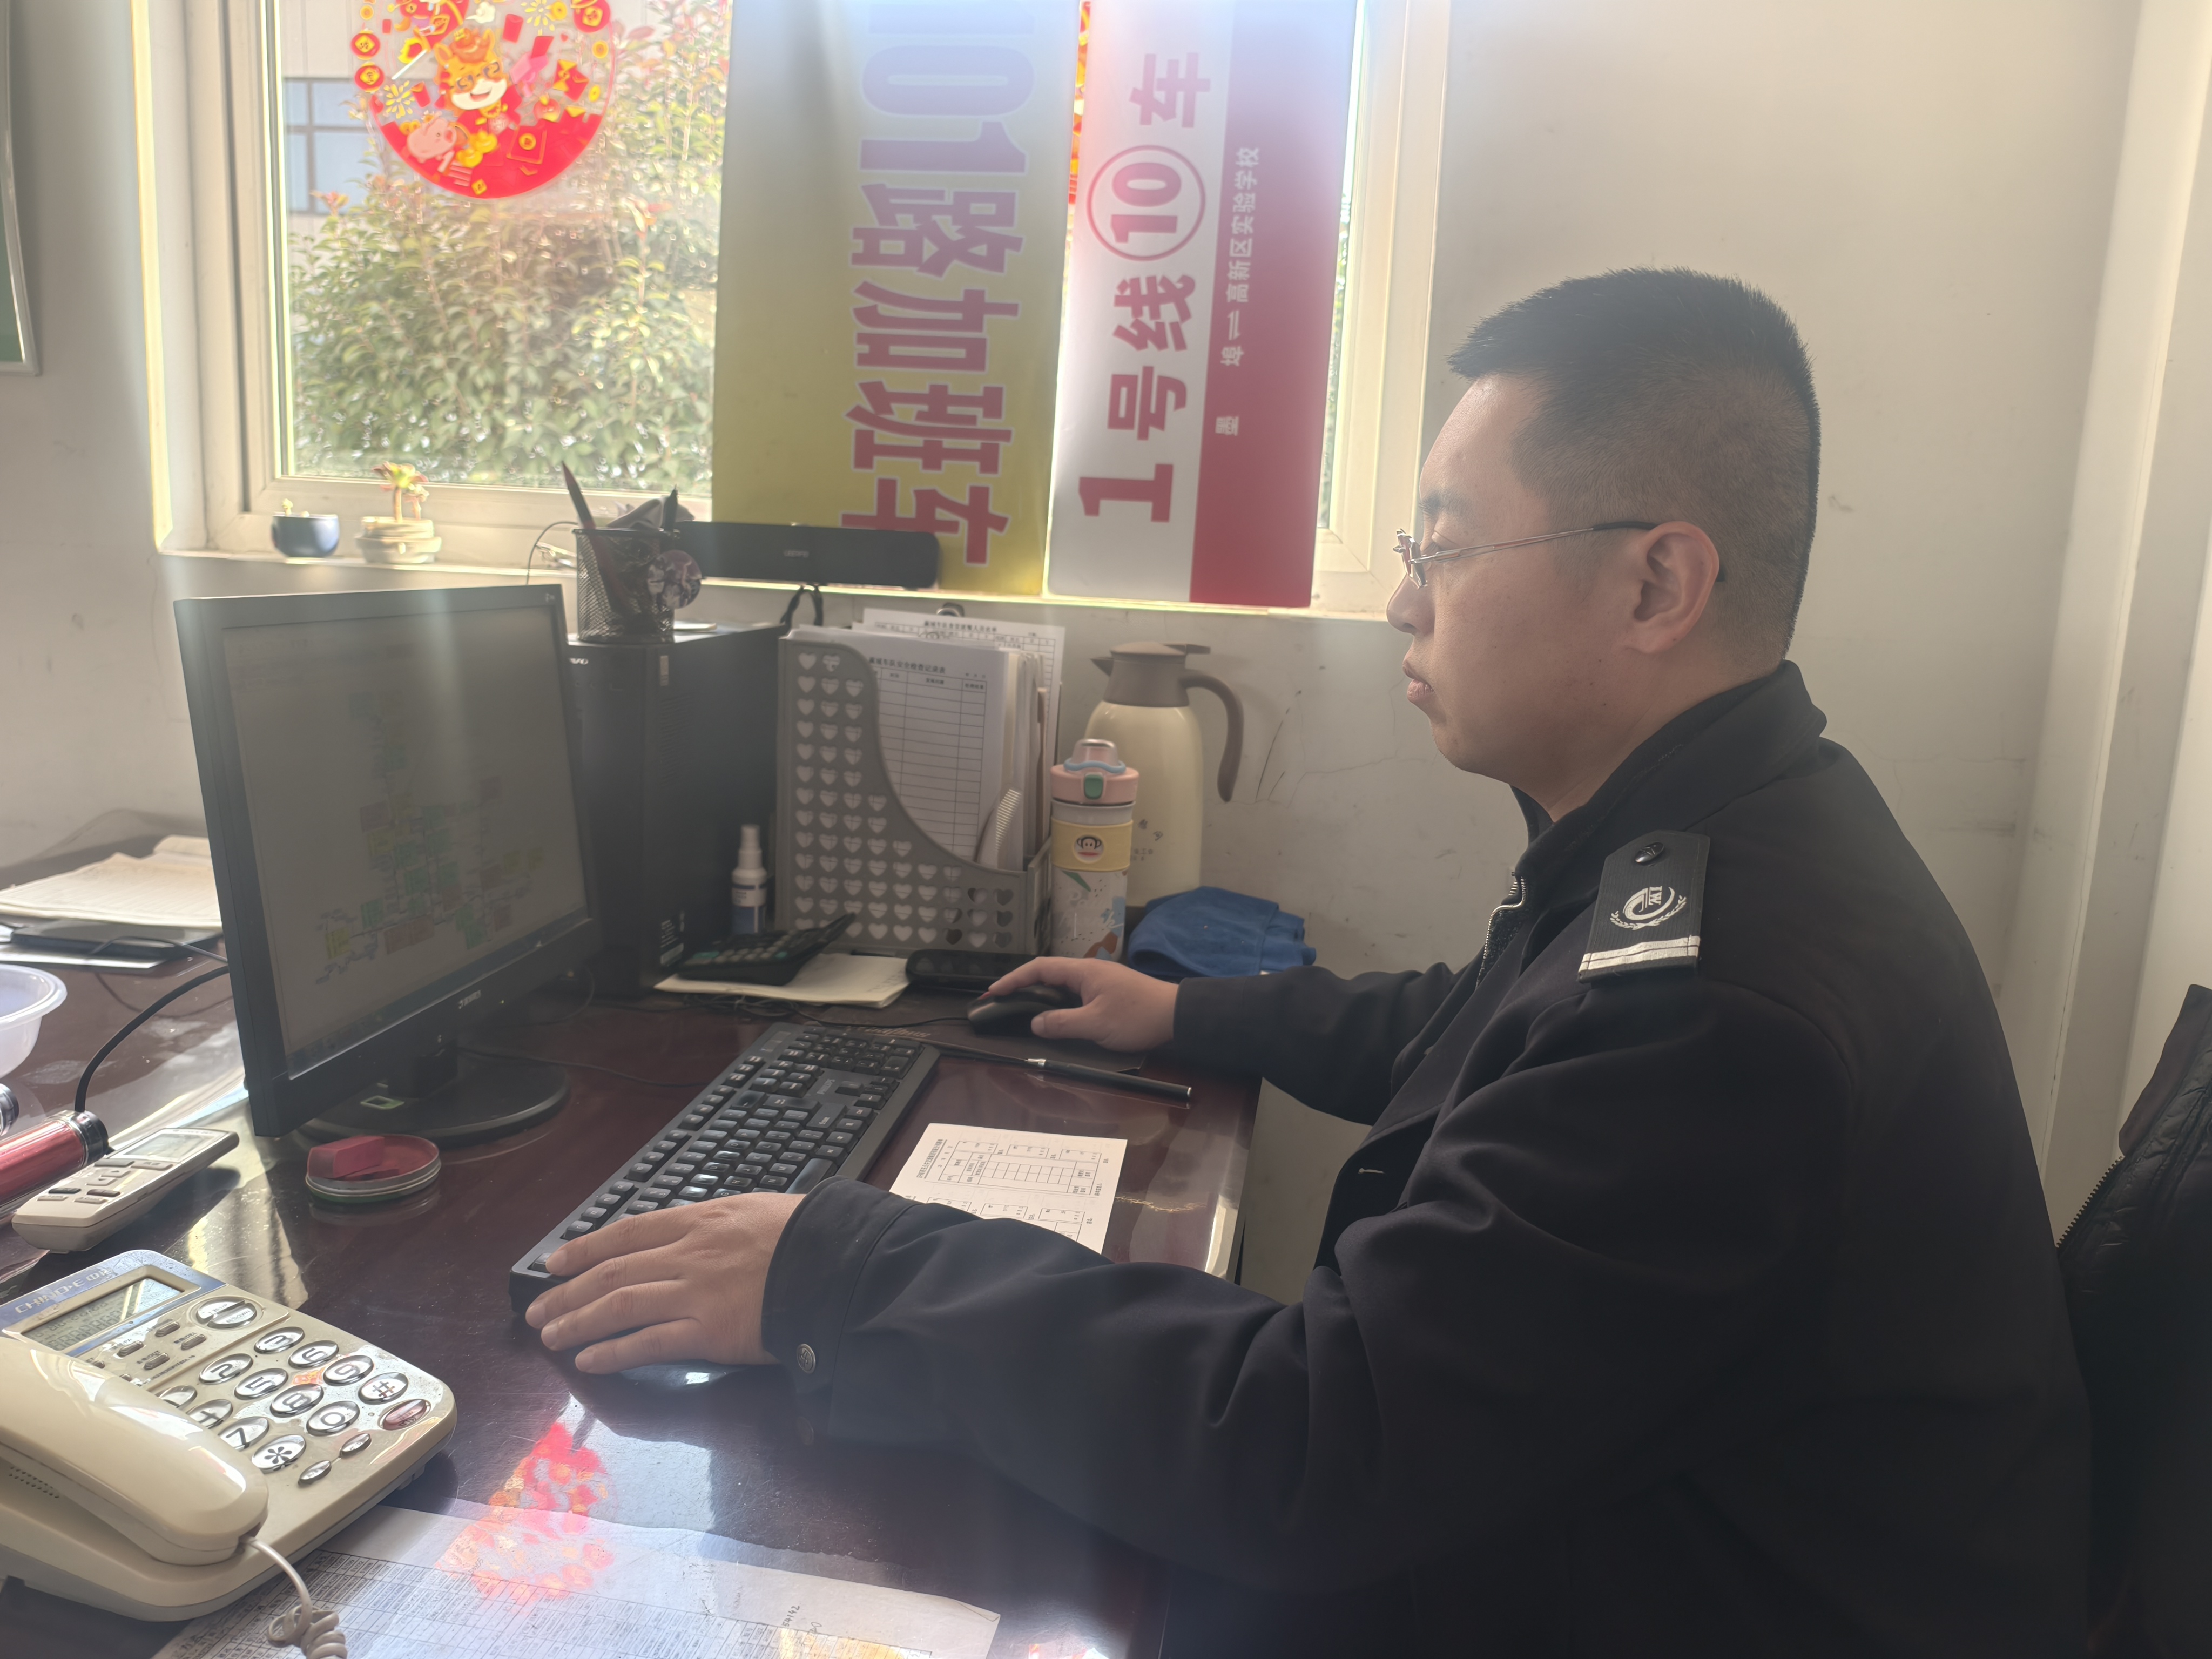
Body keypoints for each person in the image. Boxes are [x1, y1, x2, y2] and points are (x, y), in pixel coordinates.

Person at [527, 268, 2089, 1656]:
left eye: (1448, 547)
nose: (1405, 599)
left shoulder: (1720, 1010)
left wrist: (845, 1268)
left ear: (1656, 585)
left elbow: (1308, 1449)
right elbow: (1493, 1032)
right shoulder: (1732, 835)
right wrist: (1194, 1011)